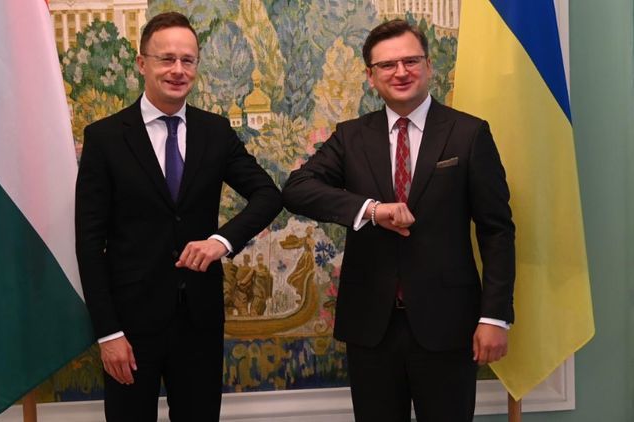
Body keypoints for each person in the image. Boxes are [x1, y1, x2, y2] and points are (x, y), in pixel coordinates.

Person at [282, 19, 515, 421]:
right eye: (387, 65)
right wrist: (372, 210)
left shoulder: (469, 134)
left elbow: (497, 231)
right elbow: (297, 189)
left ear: (429, 66)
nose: (401, 72)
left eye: (411, 61)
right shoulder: (351, 136)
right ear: (370, 77)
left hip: (448, 325)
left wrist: (494, 316)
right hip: (371, 327)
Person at [75, 12, 282, 421]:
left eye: (188, 60)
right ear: (142, 63)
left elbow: (268, 194)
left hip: (198, 320)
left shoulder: (215, 132)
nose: (178, 70)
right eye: (166, 58)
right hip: (130, 326)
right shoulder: (105, 137)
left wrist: (220, 242)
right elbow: (88, 241)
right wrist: (108, 333)